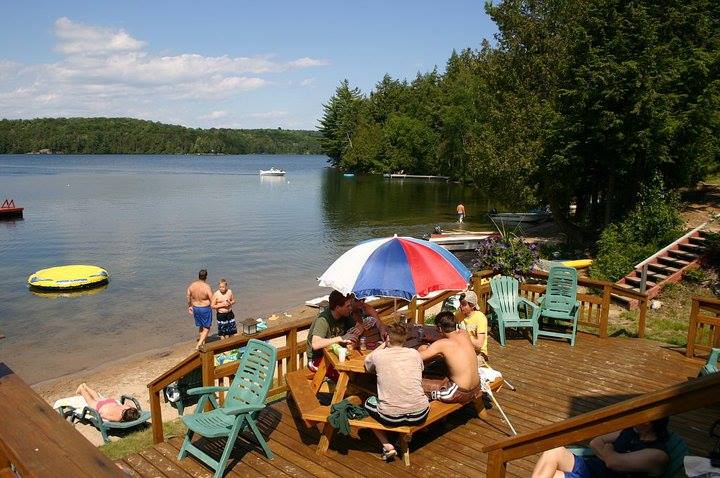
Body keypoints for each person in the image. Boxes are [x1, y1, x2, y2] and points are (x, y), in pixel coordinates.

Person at [364, 321, 429, 461]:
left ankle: (387, 445)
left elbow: (367, 364)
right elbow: (420, 369)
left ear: (388, 337)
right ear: (405, 338)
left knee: (365, 403)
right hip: (420, 413)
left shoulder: (379, 355)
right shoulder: (415, 353)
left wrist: (383, 345)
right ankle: (403, 438)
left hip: (391, 417)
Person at [531, 418, 671, 478]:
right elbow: (596, 442)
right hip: (591, 469)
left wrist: (609, 449)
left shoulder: (656, 454)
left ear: (647, 423)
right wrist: (610, 455)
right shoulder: (632, 431)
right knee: (554, 451)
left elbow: (613, 463)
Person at [418, 311, 482, 404]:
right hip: (476, 387)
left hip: (458, 392)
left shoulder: (443, 344)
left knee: (415, 383)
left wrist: (422, 348)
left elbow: (416, 358)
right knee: (440, 366)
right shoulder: (464, 334)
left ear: (440, 328)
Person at [306, 290, 354, 379]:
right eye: (348, 306)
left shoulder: (345, 315)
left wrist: (360, 328)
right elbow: (315, 344)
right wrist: (341, 338)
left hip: (335, 355)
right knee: (343, 375)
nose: (351, 308)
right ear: (337, 308)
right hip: (318, 359)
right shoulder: (323, 319)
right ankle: (345, 391)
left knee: (353, 371)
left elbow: (354, 329)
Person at [76, 383, 140, 422]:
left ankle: (85, 386)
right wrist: (100, 414)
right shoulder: (118, 418)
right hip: (102, 407)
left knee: (98, 398)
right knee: (90, 401)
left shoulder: (127, 408)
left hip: (111, 402)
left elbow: (127, 404)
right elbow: (104, 415)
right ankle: (81, 390)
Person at [454, 292, 489, 362]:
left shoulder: (480, 318)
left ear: (472, 305)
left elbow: (479, 344)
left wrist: (463, 336)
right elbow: (448, 321)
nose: (460, 306)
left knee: (464, 363)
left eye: (463, 304)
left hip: (479, 353)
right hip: (463, 348)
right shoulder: (458, 314)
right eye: (460, 303)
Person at [187, 269, 213, 350]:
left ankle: (203, 343)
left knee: (201, 326)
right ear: (206, 277)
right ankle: (199, 345)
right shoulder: (206, 287)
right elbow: (211, 298)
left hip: (196, 308)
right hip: (205, 308)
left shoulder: (192, 285)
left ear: (198, 276)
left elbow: (188, 296)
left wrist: (190, 306)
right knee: (207, 327)